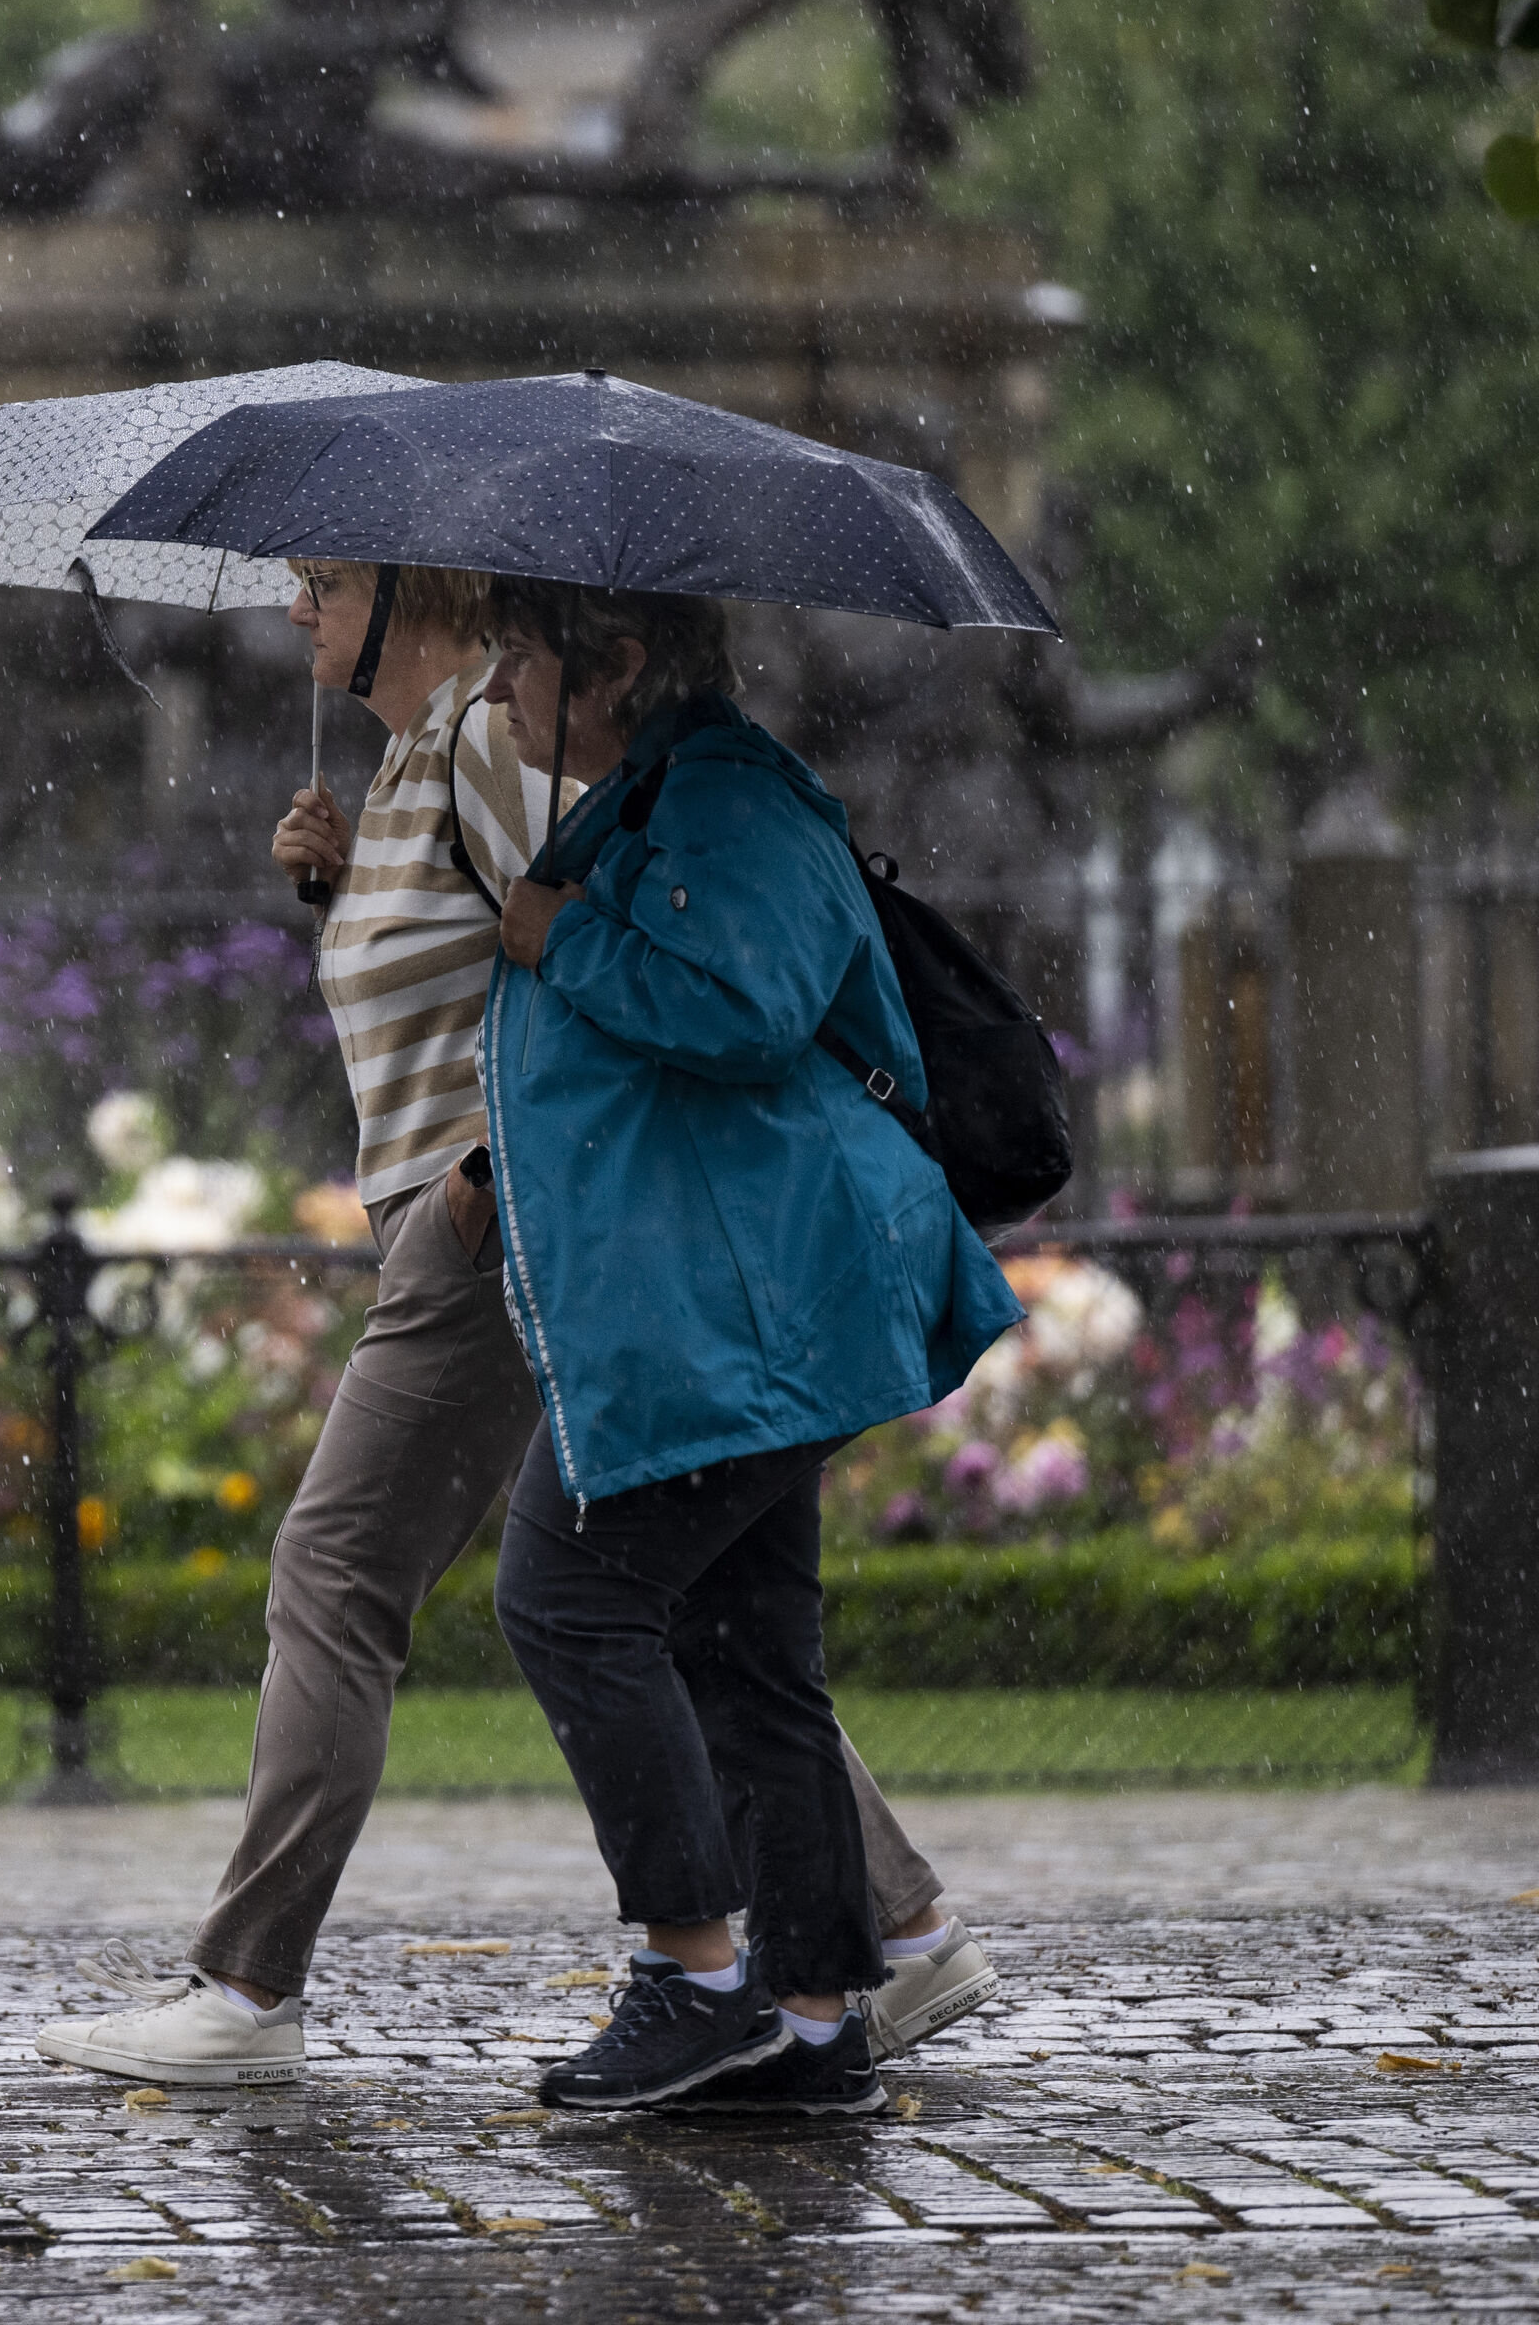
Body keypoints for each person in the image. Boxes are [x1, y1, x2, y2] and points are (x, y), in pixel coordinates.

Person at [32, 556, 993, 2092]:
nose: (296, 609)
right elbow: (493, 962)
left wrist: (485, 1177)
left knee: (362, 1572)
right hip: (469, 1215)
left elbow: (598, 953)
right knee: (692, 1599)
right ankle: (886, 1932)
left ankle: (254, 1984)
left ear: (417, 599)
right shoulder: (428, 754)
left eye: (324, 581)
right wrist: (349, 890)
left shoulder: (498, 743)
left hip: (488, 1229)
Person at [477, 577, 1026, 2118]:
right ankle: (809, 2016)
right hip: (740, 1301)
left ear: (620, 663)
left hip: (759, 1308)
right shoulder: (665, 790)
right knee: (746, 1651)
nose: (504, 681)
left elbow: (747, 1005)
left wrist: (562, 938)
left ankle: (698, 1974)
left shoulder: (727, 796)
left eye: (524, 651)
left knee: (570, 1594)